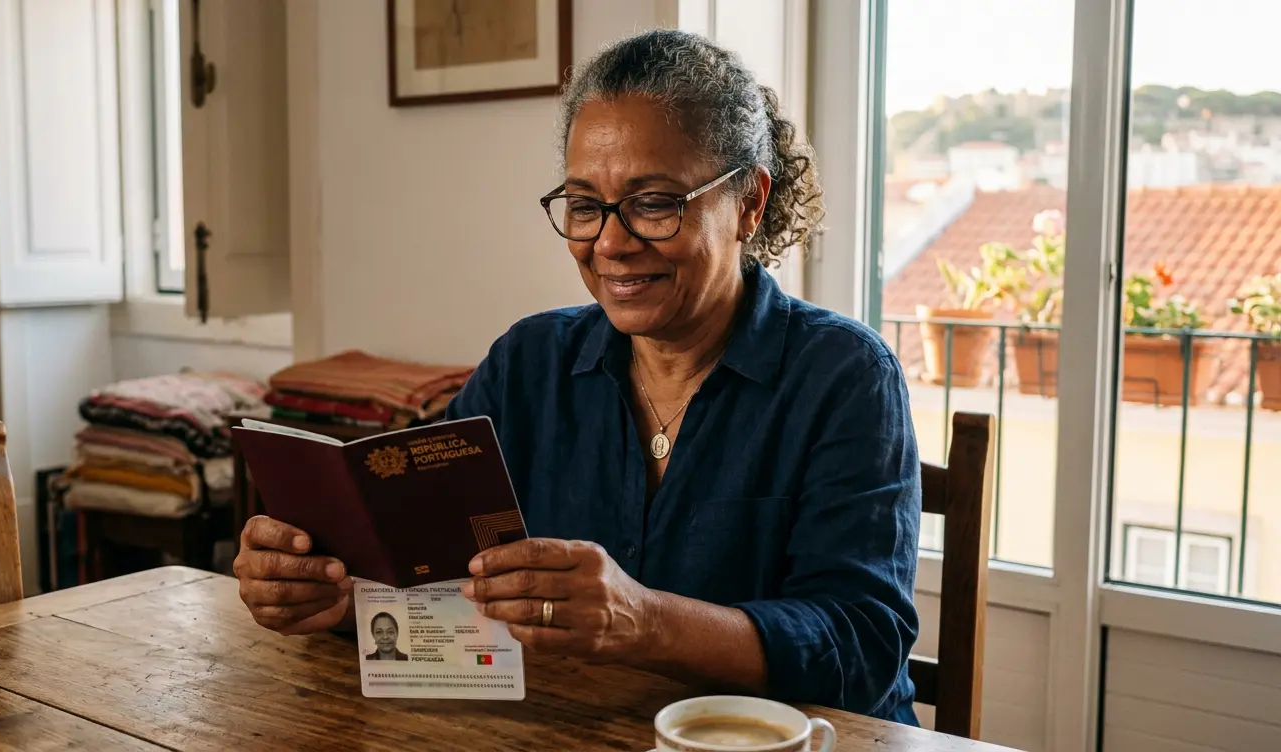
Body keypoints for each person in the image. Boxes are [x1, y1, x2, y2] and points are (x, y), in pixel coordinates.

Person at [233, 29, 921, 723]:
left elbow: (863, 648)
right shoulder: (530, 363)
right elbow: (428, 571)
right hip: (580, 730)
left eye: (654, 202)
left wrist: (643, 619)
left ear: (748, 202)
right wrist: (331, 591)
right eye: (586, 206)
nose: (610, 244)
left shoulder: (845, 377)